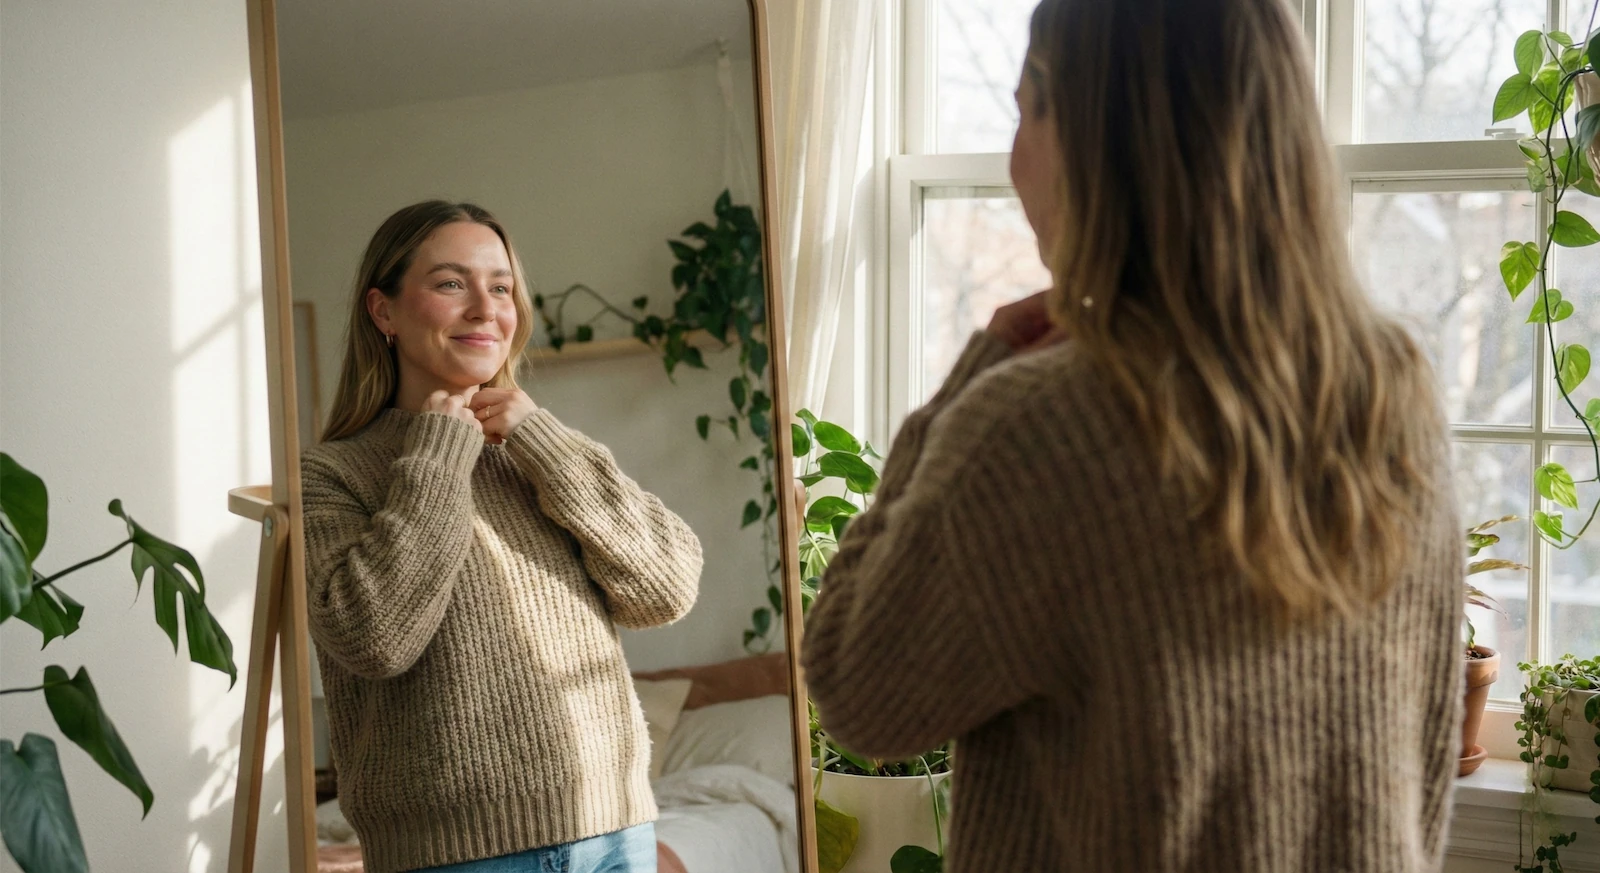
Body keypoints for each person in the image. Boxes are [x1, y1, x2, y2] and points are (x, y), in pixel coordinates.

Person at [800, 0, 1462, 870]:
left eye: (1026, 111)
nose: (1012, 159)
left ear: (1094, 137)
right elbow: (1426, 779)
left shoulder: (1038, 428)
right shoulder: (1396, 397)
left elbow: (857, 689)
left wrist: (973, 375)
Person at [301, 200, 702, 873]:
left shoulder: (539, 449)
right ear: (384, 312)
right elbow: (375, 637)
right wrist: (438, 451)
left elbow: (665, 589)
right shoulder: (328, 473)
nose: (486, 309)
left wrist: (541, 437)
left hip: (616, 831)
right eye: (451, 283)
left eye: (501, 286)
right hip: (454, 854)